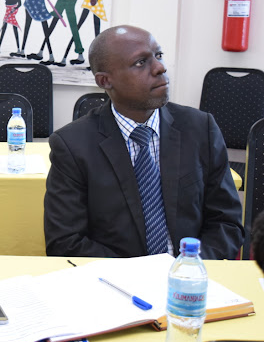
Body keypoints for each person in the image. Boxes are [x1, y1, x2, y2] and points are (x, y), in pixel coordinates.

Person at [44, 25, 244, 259]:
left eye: (158, 55)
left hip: (190, 271)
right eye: (141, 62)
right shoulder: (72, 145)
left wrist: (187, 267)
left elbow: (226, 223)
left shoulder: (200, 129)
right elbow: (65, 241)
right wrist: (138, 273)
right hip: (115, 276)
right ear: (105, 81)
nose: (160, 68)